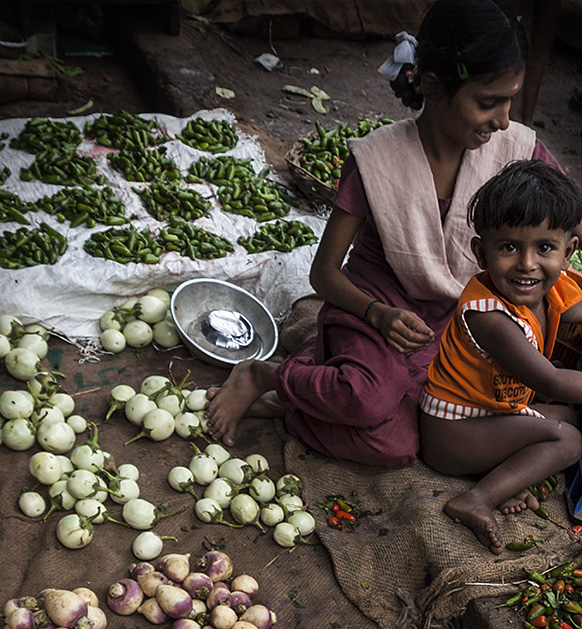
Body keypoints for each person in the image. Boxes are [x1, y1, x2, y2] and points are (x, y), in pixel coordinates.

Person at [205, 0, 571, 468]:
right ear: (435, 86)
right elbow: (324, 275)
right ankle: (269, 377)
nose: (502, 119)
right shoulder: (376, 162)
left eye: (509, 100)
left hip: (458, 320)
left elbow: (570, 221)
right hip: (376, 309)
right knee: (373, 413)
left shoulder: (517, 147)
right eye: (487, 102)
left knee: (407, 437)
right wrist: (376, 315)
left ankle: (308, 391)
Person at [419, 160, 582, 555]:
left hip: (493, 414)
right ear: (481, 252)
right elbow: (550, 382)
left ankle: (507, 474)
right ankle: (477, 497)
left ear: (568, 252)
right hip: (451, 435)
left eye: (545, 248)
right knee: (569, 439)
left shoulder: (554, 286)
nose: (527, 264)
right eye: (508, 247)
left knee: (566, 415)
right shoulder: (489, 316)